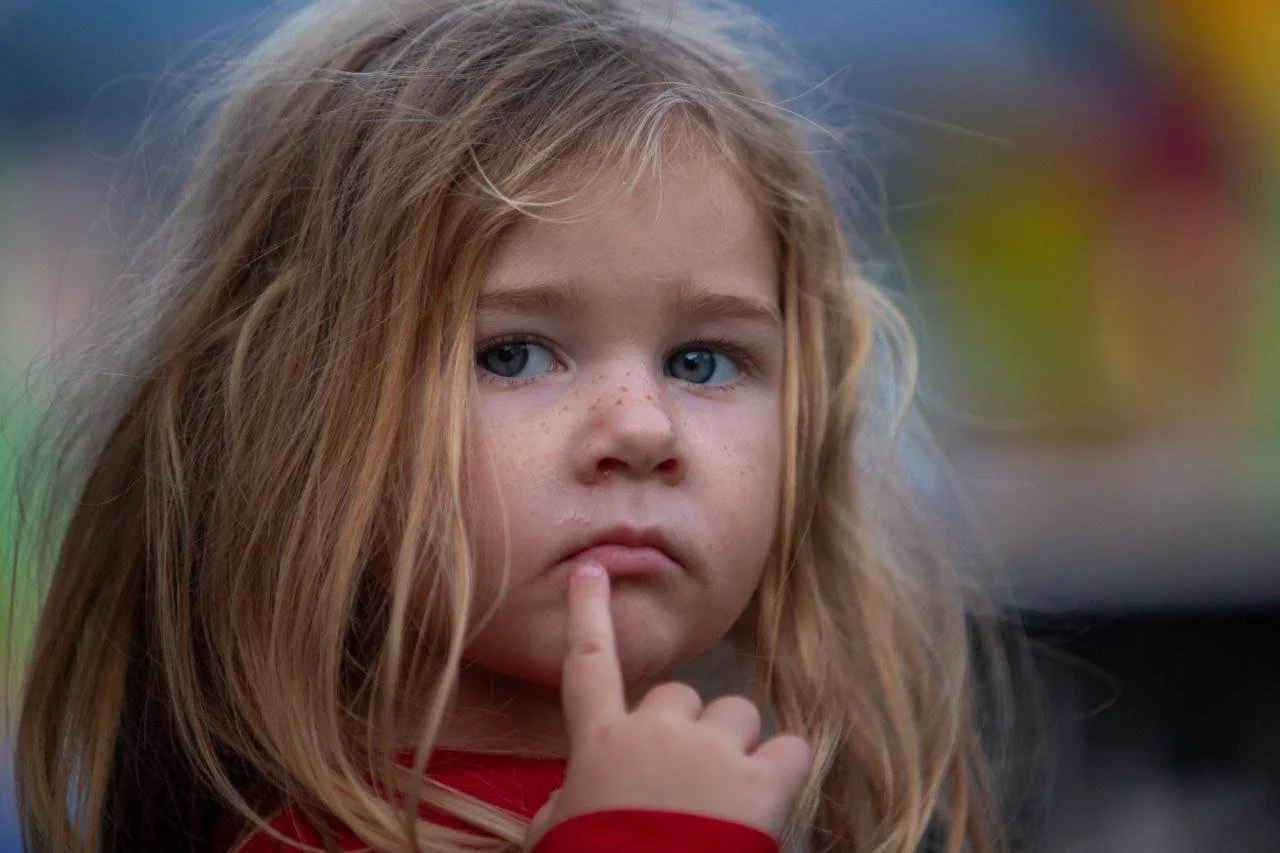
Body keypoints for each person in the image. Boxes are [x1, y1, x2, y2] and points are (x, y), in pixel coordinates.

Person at [12, 0, 1018, 850]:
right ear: (286, 412)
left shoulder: (777, 799)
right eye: (513, 354)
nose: (640, 427)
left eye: (701, 361)